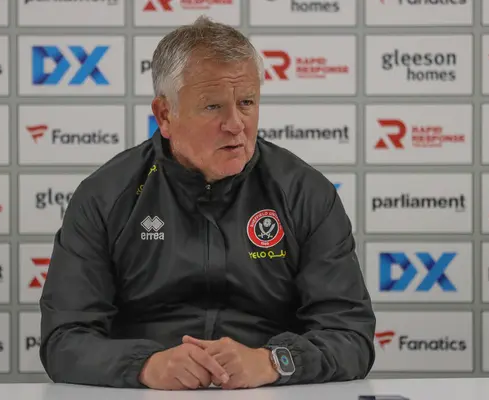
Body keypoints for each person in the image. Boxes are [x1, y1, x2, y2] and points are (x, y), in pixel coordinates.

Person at [39, 15, 376, 391]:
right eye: (213, 107)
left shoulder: (305, 193)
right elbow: (64, 340)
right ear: (165, 115)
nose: (236, 124)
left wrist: (273, 361)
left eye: (246, 102)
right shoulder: (105, 195)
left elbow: (351, 336)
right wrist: (145, 367)